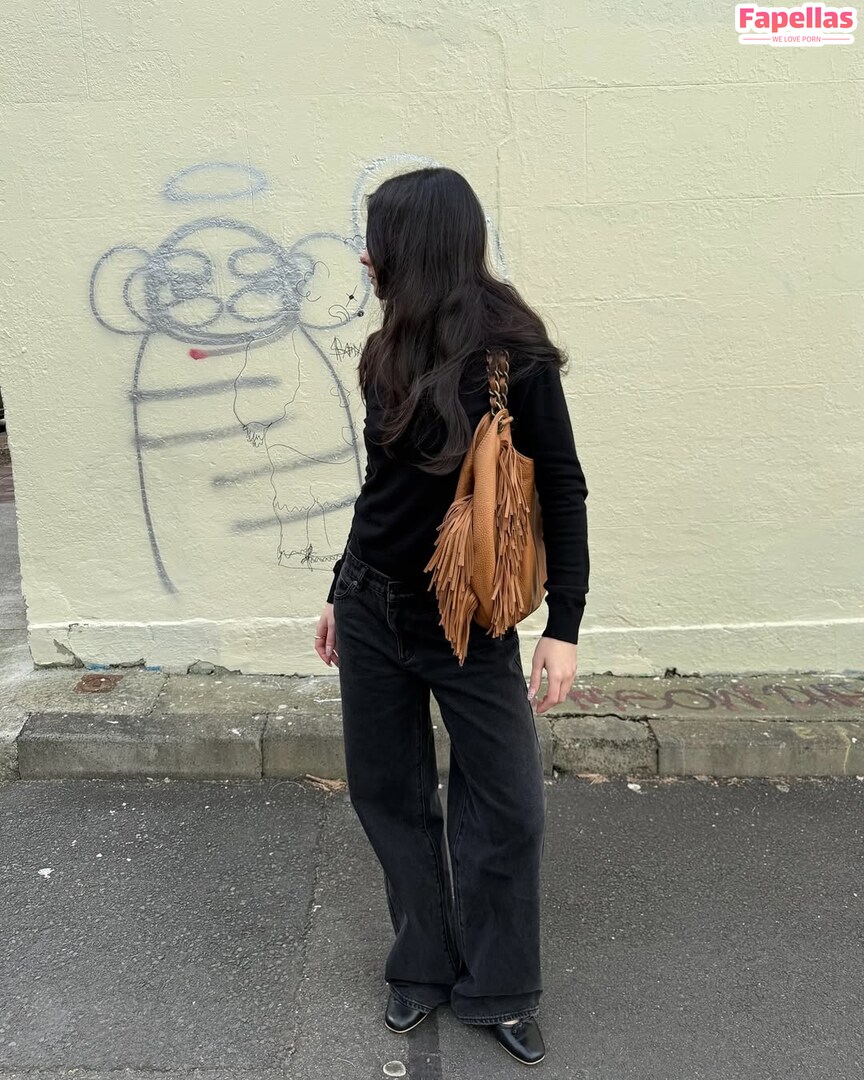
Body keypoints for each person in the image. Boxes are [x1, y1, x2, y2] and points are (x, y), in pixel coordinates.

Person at [313, 166, 589, 1067]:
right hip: (372, 606)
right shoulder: (385, 350)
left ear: (414, 247)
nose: (366, 257)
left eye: (377, 242)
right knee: (388, 795)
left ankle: (499, 986)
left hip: (466, 619)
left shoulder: (516, 357)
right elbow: (381, 489)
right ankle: (422, 965)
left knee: (506, 807)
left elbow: (562, 487)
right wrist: (337, 587)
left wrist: (564, 626)